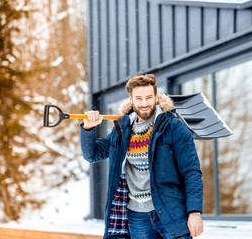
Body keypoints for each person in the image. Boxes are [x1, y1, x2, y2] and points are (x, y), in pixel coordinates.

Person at [80, 74, 204, 238]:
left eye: (148, 97)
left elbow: (191, 171)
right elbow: (93, 154)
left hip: (171, 211)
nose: (144, 103)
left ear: (156, 97)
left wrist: (195, 212)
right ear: (131, 99)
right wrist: (88, 128)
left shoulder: (173, 126)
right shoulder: (122, 130)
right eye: (139, 98)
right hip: (137, 216)